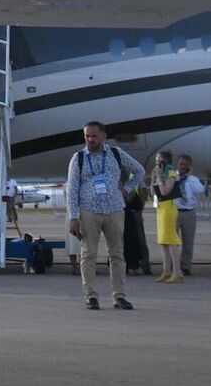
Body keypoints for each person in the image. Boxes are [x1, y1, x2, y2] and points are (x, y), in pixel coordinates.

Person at [65, 120, 140, 312]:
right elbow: (72, 189)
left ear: (104, 136)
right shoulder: (79, 158)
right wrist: (73, 216)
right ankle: (91, 296)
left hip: (114, 209)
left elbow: (139, 170)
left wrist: (127, 188)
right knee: (88, 254)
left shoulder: (116, 154)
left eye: (94, 136)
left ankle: (119, 296)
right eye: (87, 136)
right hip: (89, 211)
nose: (90, 140)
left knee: (116, 254)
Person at [151, 152, 184, 283]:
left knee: (171, 239)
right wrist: (154, 177)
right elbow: (153, 192)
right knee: (163, 241)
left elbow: (165, 191)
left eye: (159, 159)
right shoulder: (160, 173)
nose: (157, 161)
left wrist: (159, 177)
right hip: (160, 207)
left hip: (169, 207)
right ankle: (166, 271)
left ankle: (177, 272)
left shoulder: (171, 173)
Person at [175, 154, 206, 275]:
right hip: (175, 211)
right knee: (173, 241)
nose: (183, 166)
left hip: (188, 212)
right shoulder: (173, 177)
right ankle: (175, 264)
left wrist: (188, 177)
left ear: (189, 166)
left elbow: (199, 190)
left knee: (188, 241)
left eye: (185, 165)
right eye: (181, 164)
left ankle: (186, 266)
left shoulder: (193, 179)